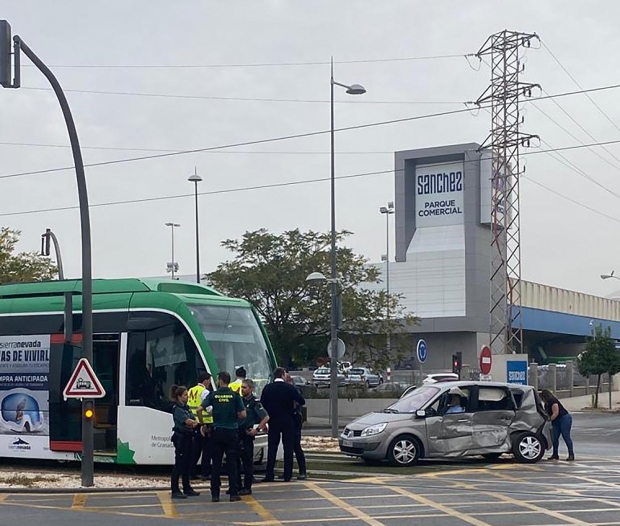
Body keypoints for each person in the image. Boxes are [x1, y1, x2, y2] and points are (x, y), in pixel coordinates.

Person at [199, 371, 246, 502]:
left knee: (216, 464)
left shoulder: (213, 395)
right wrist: (235, 419)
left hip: (217, 431)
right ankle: (234, 493)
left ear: (220, 380)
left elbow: (199, 409)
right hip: (231, 432)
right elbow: (243, 415)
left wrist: (203, 424)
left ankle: (215, 494)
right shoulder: (235, 396)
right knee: (232, 464)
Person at [259, 367, 305, 483]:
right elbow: (302, 401)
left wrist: (264, 423)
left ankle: (269, 474)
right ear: (283, 375)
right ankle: (287, 475)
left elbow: (262, 405)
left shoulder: (268, 388)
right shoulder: (289, 388)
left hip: (273, 420)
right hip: (287, 420)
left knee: (272, 447)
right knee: (288, 447)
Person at [237, 379, 270, 495]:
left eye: (245, 387)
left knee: (247, 462)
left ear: (251, 389)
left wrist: (257, 429)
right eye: (242, 387)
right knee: (236, 461)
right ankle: (237, 486)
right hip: (237, 432)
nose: (242, 390)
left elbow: (265, 417)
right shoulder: (239, 400)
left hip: (247, 433)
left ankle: (247, 486)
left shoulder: (255, 402)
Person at [169, 385, 201, 499]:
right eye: (185, 395)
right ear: (179, 396)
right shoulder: (177, 409)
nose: (187, 397)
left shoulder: (186, 407)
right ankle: (175, 489)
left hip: (188, 437)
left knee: (187, 463)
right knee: (179, 464)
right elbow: (188, 421)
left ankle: (187, 487)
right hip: (181, 438)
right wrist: (194, 423)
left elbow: (193, 418)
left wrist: (195, 422)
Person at [187, 372, 213, 480]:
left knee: (195, 449)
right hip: (205, 423)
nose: (210, 383)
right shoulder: (205, 392)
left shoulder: (191, 390)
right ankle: (205, 473)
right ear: (206, 380)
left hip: (194, 423)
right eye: (209, 380)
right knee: (207, 450)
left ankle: (191, 472)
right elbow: (209, 409)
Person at [540, 389, 574, 461]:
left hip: (564, 418)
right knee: (554, 438)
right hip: (555, 421)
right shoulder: (547, 404)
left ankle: (571, 454)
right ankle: (555, 454)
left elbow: (555, 413)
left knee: (566, 436)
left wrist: (549, 421)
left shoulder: (553, 401)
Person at [285, 373, 307, 480]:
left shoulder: (294, 390)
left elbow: (299, 402)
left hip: (295, 418)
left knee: (296, 446)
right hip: (290, 418)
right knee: (288, 446)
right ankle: (288, 470)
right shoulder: (288, 389)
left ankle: (302, 471)